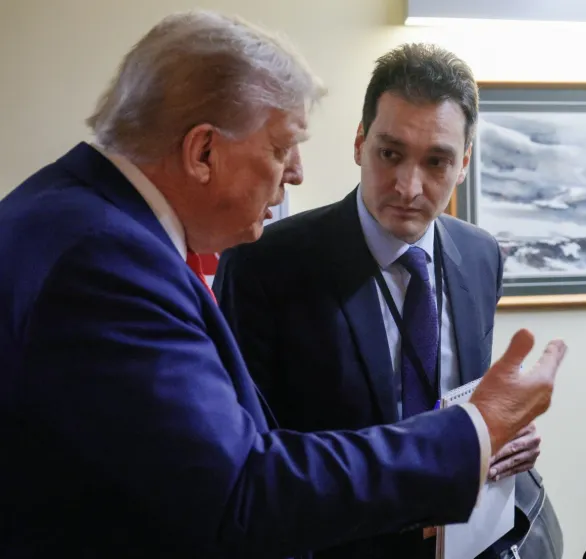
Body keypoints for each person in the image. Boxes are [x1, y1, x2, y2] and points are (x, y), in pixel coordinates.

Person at [0, 11, 568, 559]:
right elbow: (239, 489)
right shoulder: (106, 260)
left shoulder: (78, 220)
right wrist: (470, 435)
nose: (296, 171)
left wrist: (491, 433)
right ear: (203, 151)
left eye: (438, 161)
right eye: (279, 147)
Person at [212, 43, 563, 559]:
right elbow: (249, 460)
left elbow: (461, 398)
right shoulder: (265, 263)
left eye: (437, 161)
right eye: (390, 153)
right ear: (359, 143)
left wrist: (502, 436)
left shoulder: (481, 255)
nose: (408, 186)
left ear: (464, 164)